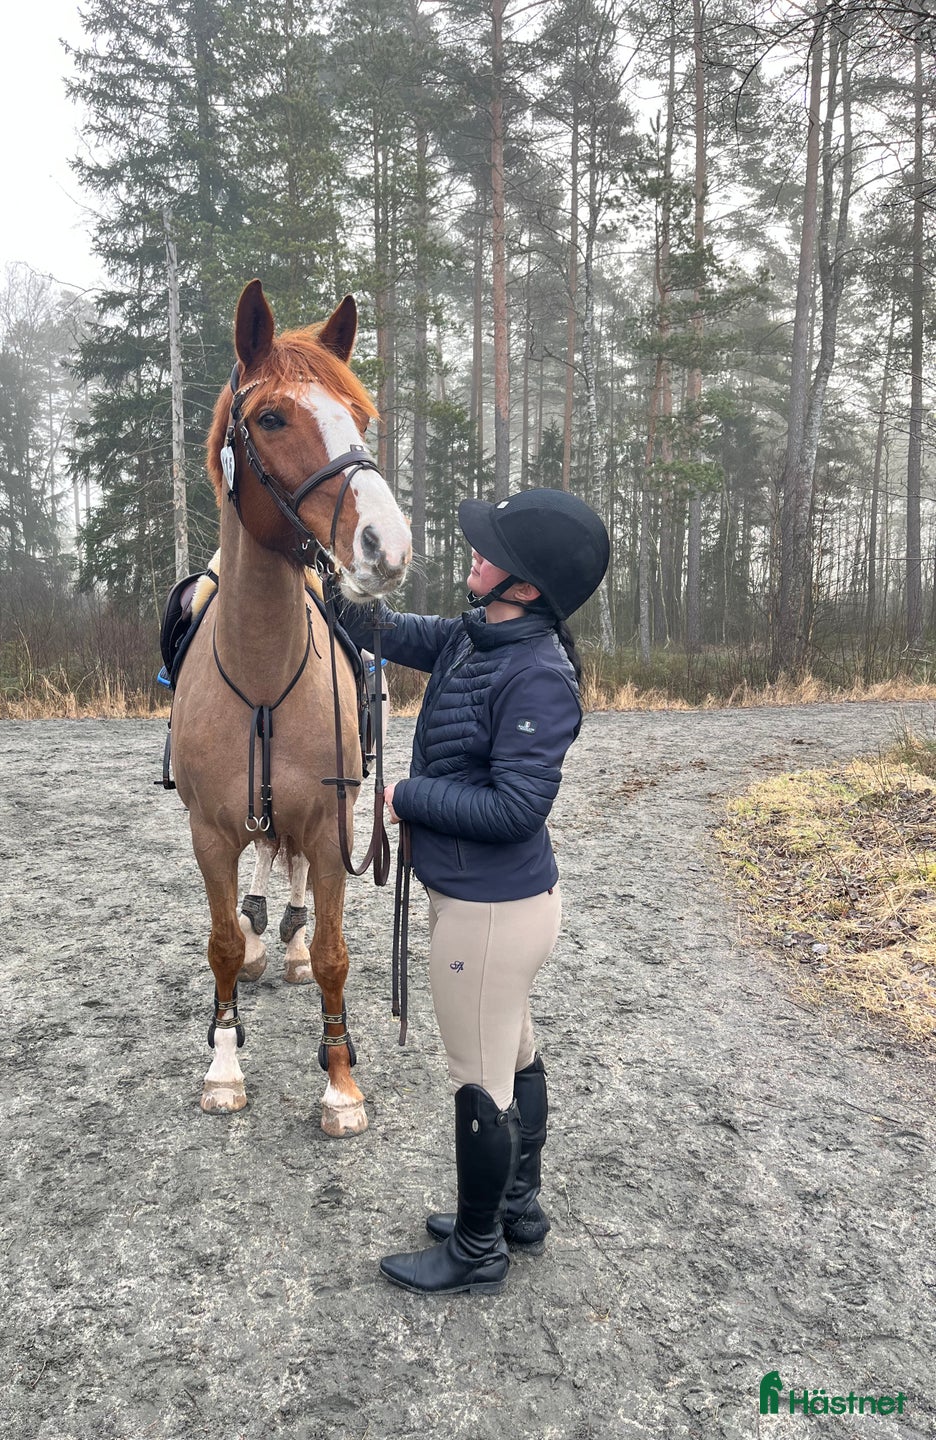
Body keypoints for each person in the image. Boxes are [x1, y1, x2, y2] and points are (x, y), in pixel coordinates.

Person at [338, 487, 610, 1296]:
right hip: (491, 907)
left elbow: (518, 807)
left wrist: (404, 798)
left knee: (479, 1078)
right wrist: (325, 572)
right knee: (516, 1054)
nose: (471, 555)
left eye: (488, 552)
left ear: (523, 586)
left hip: (492, 913)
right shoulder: (477, 635)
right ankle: (517, 1210)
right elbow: (379, 629)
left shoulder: (537, 675)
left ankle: (479, 1248)